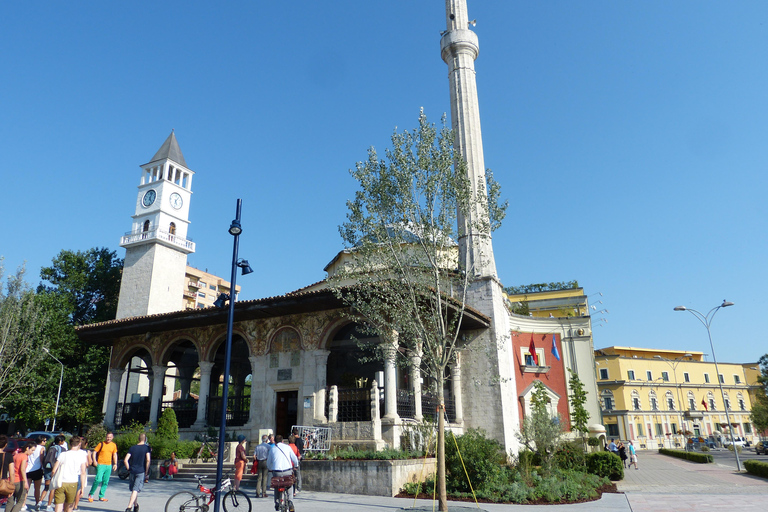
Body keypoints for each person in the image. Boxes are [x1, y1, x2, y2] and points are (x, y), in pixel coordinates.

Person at [50, 436, 88, 512]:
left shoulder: (63, 454)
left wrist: (53, 478)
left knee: (58, 505)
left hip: (61, 482)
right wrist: (82, 488)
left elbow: (54, 470)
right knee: (69, 506)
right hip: (73, 482)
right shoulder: (81, 456)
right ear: (79, 444)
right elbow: (83, 472)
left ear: (70, 444)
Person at [267, 435, 298, 512]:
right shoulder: (287, 447)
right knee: (290, 485)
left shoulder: (272, 449)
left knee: (277, 486)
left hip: (276, 472)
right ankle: (290, 501)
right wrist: (296, 466)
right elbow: (295, 459)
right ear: (282, 441)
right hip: (287, 471)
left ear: (275, 442)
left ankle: (277, 502)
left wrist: (270, 469)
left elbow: (268, 463)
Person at [123, 433, 151, 512]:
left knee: (133, 490)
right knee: (135, 489)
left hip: (132, 471)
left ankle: (135, 506)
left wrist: (129, 469)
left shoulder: (132, 448)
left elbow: (125, 460)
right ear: (145, 440)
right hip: (141, 471)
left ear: (138, 439)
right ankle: (129, 507)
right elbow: (148, 460)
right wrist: (146, 471)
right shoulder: (147, 448)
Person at [87, 432, 118, 502]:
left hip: (109, 465)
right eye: (107, 437)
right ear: (105, 437)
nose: (108, 438)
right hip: (100, 464)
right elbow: (94, 452)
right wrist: (94, 461)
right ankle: (91, 494)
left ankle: (101, 495)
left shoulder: (113, 445)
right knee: (98, 479)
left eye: (110, 437)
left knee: (105, 481)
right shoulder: (101, 444)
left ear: (112, 437)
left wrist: (115, 464)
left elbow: (114, 454)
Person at [7, 440, 34, 512]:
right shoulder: (24, 456)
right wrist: (25, 482)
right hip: (19, 480)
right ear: (27, 448)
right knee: (20, 501)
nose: (32, 452)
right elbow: (22, 469)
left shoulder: (15, 455)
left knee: (10, 501)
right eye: (32, 450)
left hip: (11, 480)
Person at [42, 435, 67, 512]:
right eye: (63, 441)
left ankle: (40, 502)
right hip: (55, 469)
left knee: (46, 487)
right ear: (60, 442)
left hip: (47, 468)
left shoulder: (50, 447)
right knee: (52, 488)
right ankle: (48, 505)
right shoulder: (62, 449)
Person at [26, 436, 46, 510]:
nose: (45, 442)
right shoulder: (42, 448)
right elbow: (41, 458)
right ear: (40, 441)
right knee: (37, 488)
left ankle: (23, 503)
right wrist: (42, 466)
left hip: (28, 469)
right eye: (44, 441)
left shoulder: (32, 447)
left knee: (27, 488)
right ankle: (37, 502)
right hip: (37, 468)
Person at [290, 428, 304, 493]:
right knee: (298, 474)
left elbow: (296, 450)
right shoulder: (301, 439)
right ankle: (298, 487)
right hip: (300, 456)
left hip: (296, 458)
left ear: (293, 434)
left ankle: (297, 488)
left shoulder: (296, 441)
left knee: (296, 474)